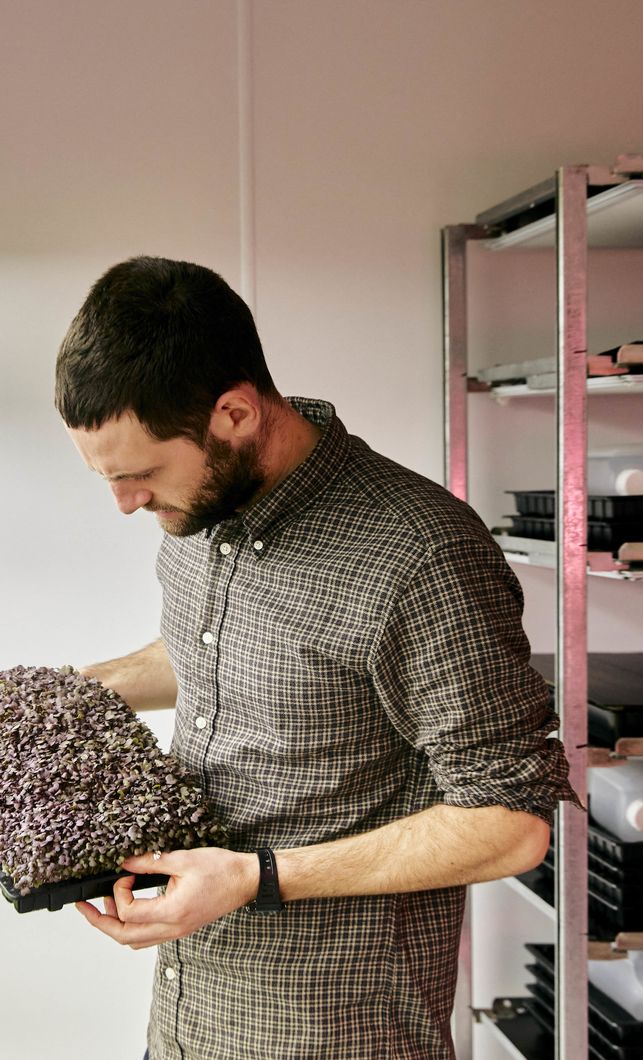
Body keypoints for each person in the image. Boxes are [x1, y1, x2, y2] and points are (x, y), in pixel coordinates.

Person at [55, 256, 574, 1060]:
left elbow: (510, 824)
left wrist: (255, 877)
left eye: (140, 474)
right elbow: (215, 648)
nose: (125, 504)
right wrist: (69, 695)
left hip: (339, 1030)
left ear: (234, 413)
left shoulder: (420, 554)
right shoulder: (201, 511)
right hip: (191, 1012)